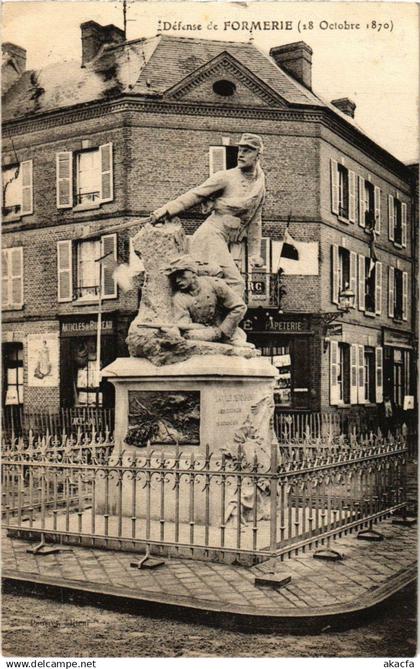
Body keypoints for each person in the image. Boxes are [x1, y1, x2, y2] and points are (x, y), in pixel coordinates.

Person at [151, 133, 266, 297]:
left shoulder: (260, 185)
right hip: (210, 236)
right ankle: (226, 323)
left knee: (212, 284)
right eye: (240, 150)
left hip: (226, 240)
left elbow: (256, 220)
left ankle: (207, 319)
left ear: (258, 155)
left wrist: (255, 253)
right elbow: (196, 195)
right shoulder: (226, 177)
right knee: (236, 283)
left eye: (247, 151)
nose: (240, 154)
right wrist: (166, 210)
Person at [163, 255, 249, 346]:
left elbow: (239, 307)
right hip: (201, 333)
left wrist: (222, 331)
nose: (177, 280)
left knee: (241, 341)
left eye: (181, 274)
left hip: (226, 330)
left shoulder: (215, 284)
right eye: (175, 277)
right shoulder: (179, 298)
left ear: (193, 272)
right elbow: (184, 325)